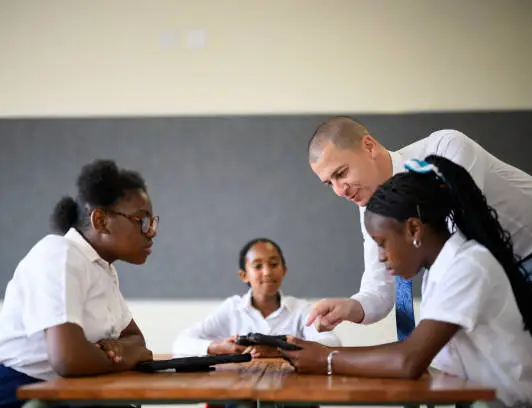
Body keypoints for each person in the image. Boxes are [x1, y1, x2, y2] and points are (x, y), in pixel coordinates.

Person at [282, 155, 532, 407]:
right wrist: (305, 352)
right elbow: (412, 351)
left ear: (414, 229)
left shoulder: (468, 267)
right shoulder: (440, 270)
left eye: (382, 244)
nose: (381, 258)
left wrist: (326, 358)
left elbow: (409, 360)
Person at [305, 116, 532, 340]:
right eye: (329, 183)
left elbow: (459, 243)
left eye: (341, 173)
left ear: (369, 146)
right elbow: (379, 288)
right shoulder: (371, 204)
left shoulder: (446, 149)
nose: (339, 191)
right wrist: (350, 307)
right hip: (500, 278)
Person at [0, 159, 159, 408]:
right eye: (141, 221)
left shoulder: (101, 267)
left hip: (64, 395)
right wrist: (129, 355)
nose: (151, 232)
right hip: (17, 398)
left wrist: (115, 349)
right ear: (100, 221)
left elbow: (135, 338)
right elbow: (69, 359)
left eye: (153, 223)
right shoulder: (59, 255)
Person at [172, 238, 340, 358]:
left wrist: (280, 350)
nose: (267, 272)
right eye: (258, 266)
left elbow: (333, 342)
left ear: (284, 270)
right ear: (244, 275)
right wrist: (216, 347)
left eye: (274, 264)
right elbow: (181, 343)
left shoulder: (301, 309)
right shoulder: (232, 309)